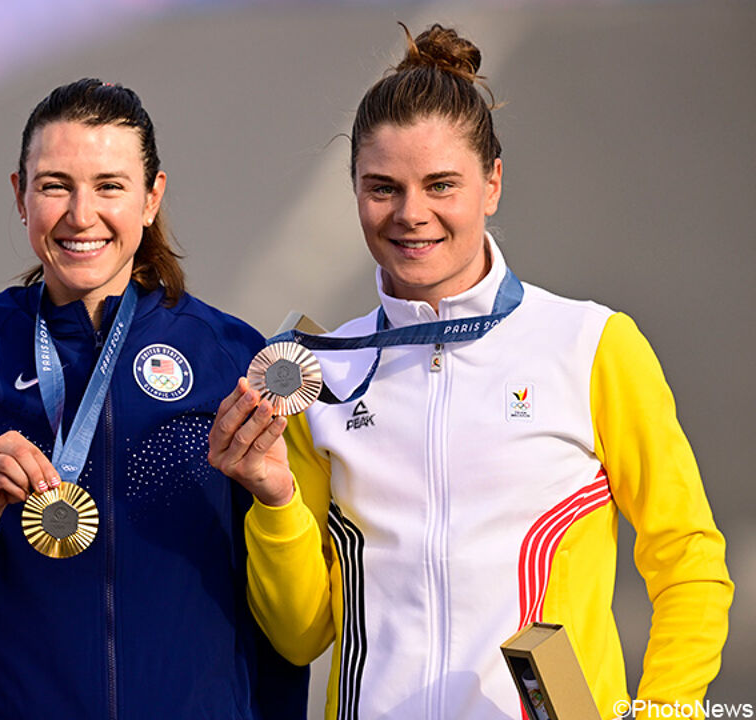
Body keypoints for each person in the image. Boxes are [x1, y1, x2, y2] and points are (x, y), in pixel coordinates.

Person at [208, 24, 733, 720]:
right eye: (383, 188)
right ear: (355, 190)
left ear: (492, 184)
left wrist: (667, 711)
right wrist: (274, 499)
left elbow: (689, 561)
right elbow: (301, 635)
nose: (410, 214)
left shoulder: (590, 345)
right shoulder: (323, 373)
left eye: (441, 185)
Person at [0, 78, 308, 719]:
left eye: (110, 186)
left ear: (151, 197)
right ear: (20, 196)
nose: (81, 215)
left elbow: (280, 628)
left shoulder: (231, 357)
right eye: (56, 185)